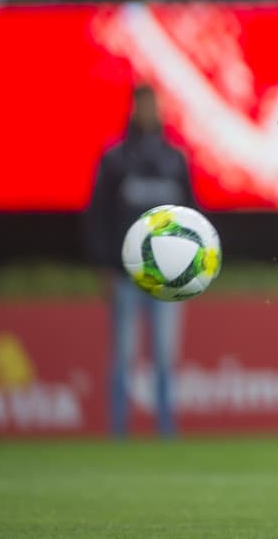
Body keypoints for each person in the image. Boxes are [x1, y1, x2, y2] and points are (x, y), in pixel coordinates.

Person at [84, 84, 194, 438]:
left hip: (167, 278)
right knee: (124, 357)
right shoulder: (115, 160)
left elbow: (193, 218)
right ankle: (119, 433)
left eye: (153, 106)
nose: (149, 112)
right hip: (125, 273)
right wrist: (103, 264)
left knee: (165, 357)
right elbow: (98, 215)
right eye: (143, 106)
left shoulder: (175, 160)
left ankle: (166, 432)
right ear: (133, 109)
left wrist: (192, 267)